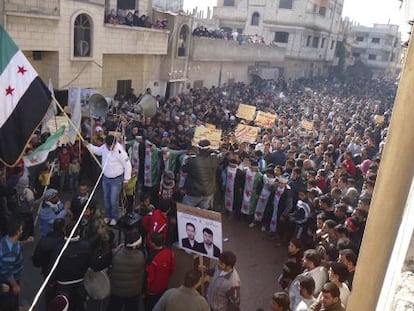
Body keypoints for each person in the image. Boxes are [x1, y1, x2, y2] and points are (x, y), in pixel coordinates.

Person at [86, 135, 132, 226]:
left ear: (115, 143)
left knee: (113, 200)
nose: (109, 148)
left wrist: (126, 180)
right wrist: (89, 146)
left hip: (116, 179)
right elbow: (98, 151)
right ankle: (107, 215)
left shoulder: (120, 152)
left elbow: (128, 165)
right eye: (108, 146)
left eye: (111, 146)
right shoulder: (104, 147)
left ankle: (114, 217)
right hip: (106, 178)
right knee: (106, 198)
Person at [52, 221, 91, 311]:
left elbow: (53, 267)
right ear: (78, 232)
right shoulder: (86, 246)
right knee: (79, 305)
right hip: (80, 281)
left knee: (63, 306)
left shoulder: (59, 248)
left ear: (65, 231)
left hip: (63, 283)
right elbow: (89, 263)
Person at [108, 230, 145, 311]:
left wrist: (117, 249)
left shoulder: (116, 255)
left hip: (117, 290)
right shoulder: (140, 257)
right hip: (133, 291)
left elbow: (110, 256)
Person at [181, 139, 220, 209]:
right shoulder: (214, 158)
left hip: (193, 193)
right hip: (207, 193)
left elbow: (184, 169)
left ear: (198, 149)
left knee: (186, 213)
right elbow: (219, 153)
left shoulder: (192, 160)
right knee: (202, 215)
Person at [145, 232, 176, 311]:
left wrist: (146, 289)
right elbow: (172, 269)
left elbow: (149, 278)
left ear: (153, 243)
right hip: (164, 286)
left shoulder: (152, 259)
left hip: (152, 290)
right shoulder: (169, 253)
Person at [0, 219, 24, 311]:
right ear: (17, 232)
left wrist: (25, 242)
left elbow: (17, 244)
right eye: (21, 229)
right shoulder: (10, 252)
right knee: (10, 300)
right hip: (9, 281)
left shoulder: (7, 238)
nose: (22, 231)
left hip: (12, 277)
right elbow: (7, 272)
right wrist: (15, 286)